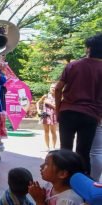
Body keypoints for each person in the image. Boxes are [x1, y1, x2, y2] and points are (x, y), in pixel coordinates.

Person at [55, 34, 102, 174]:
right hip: (90, 115)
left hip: (67, 112)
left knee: (65, 150)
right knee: (83, 152)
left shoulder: (73, 65)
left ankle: (62, 181)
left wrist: (58, 110)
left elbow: (58, 88)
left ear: (89, 48)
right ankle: (82, 184)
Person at [36, 83, 58, 151]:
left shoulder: (58, 97)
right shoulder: (45, 96)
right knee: (46, 131)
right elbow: (38, 103)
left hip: (53, 116)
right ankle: (47, 147)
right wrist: (38, 110)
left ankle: (54, 147)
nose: (53, 89)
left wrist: (49, 103)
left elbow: (57, 107)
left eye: (54, 87)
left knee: (53, 132)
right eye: (52, 87)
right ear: (50, 88)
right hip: (45, 115)